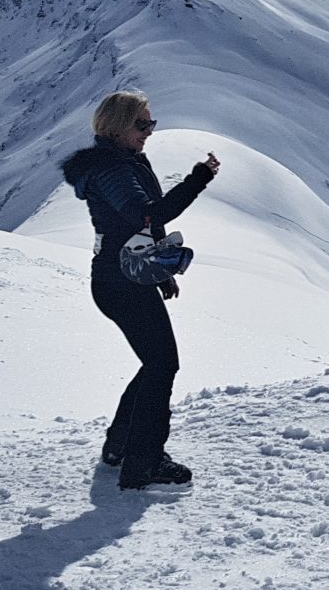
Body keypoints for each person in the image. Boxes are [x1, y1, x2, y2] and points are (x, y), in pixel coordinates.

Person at [59, 90, 220, 491]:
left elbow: (140, 225)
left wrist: (159, 272)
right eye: (142, 124)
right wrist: (197, 180)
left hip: (124, 277)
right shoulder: (112, 169)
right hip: (120, 281)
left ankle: (121, 447)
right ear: (117, 126)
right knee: (163, 364)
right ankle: (142, 463)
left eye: (151, 124)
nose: (149, 132)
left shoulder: (122, 161)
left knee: (156, 363)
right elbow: (149, 214)